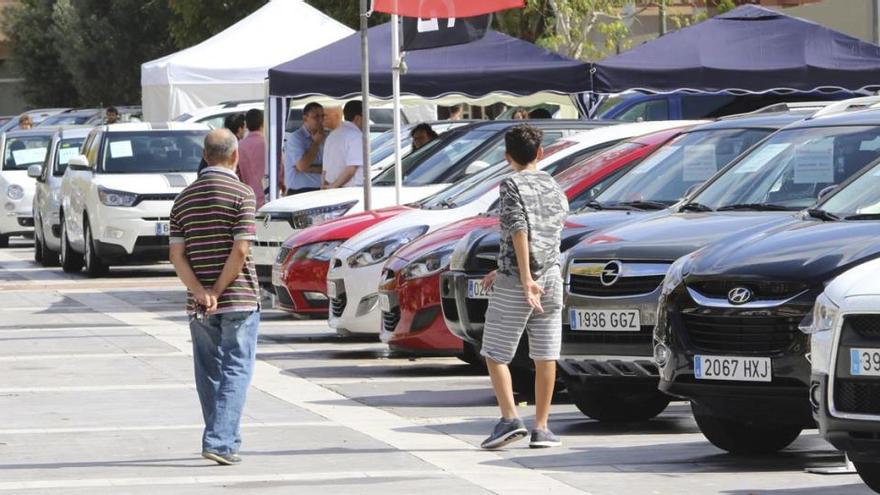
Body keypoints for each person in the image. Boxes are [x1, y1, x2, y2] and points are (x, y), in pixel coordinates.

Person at [169, 128, 261, 466]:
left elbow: (176, 255)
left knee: (208, 370)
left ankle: (222, 437)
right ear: (235, 155)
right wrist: (218, 291)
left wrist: (201, 292)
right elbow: (240, 250)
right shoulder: (242, 194)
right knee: (236, 369)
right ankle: (221, 442)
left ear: (205, 156)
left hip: (198, 303)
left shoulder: (183, 199)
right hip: (238, 298)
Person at [478, 124, 569, 450]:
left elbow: (519, 230)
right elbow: (550, 233)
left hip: (519, 281)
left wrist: (524, 277)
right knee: (546, 355)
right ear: (540, 153)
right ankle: (542, 428)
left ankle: (509, 419)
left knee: (494, 352)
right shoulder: (555, 185)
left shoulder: (511, 185)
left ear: (506, 156)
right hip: (552, 278)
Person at [283, 102, 325, 195]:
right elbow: (302, 166)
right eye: (316, 117)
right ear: (305, 118)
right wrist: (316, 143)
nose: (321, 120)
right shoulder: (295, 138)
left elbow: (329, 168)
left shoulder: (326, 135)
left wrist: (311, 169)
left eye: (322, 116)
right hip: (300, 192)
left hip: (320, 189)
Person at [322, 100, 364, 189]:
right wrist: (333, 187)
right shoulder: (356, 136)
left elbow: (325, 169)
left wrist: (324, 186)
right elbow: (351, 169)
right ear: (358, 118)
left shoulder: (333, 134)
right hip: (349, 190)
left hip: (331, 187)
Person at [237, 109, 267, 208]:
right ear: (263, 123)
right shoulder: (268, 145)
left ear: (246, 124)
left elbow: (237, 175)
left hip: (247, 200)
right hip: (268, 198)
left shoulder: (240, 146)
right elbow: (281, 171)